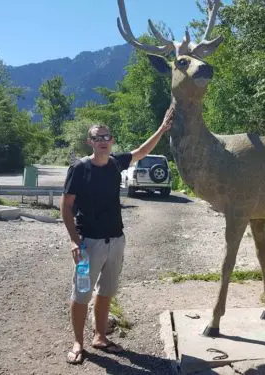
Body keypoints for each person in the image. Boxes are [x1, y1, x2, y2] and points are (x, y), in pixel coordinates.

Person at [61, 107, 174, 365]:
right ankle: (78, 342)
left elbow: (142, 151)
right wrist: (74, 240)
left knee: (106, 291)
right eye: (97, 137)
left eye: (106, 137)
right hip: (88, 243)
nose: (102, 141)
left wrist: (162, 128)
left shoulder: (115, 163)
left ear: (112, 141)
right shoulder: (79, 168)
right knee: (81, 293)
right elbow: (66, 206)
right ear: (90, 142)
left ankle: (99, 336)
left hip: (116, 240)